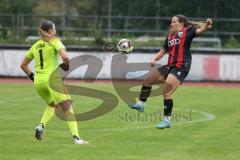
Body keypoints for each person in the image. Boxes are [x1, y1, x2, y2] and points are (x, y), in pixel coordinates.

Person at [129, 14, 213, 129]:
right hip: (170, 66)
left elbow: (200, 30)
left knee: (166, 91)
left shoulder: (187, 31)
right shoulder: (169, 36)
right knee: (147, 81)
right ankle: (140, 104)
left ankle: (167, 120)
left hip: (181, 67)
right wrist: (154, 59)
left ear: (181, 24)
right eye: (171, 22)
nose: (171, 24)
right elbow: (162, 51)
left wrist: (207, 25)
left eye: (174, 22)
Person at [20, 20, 88, 144]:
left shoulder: (35, 45)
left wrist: (33, 77)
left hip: (39, 82)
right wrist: (66, 65)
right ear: (50, 31)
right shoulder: (55, 41)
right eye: (54, 29)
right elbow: (66, 57)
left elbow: (23, 65)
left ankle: (41, 125)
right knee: (67, 106)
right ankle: (76, 138)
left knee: (52, 105)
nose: (55, 31)